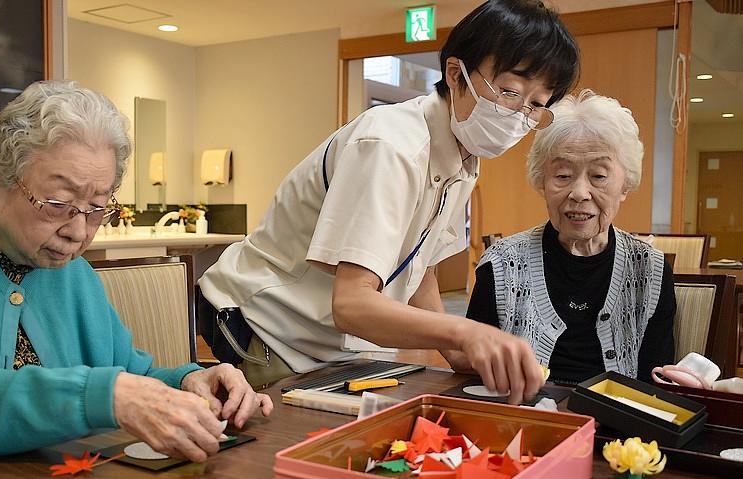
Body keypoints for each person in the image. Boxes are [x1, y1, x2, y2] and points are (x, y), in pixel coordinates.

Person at [198, 0, 580, 405]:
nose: (519, 115)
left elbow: (421, 267)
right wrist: (466, 332)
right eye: (509, 92)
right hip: (259, 323)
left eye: (535, 105)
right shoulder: (391, 145)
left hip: (325, 341)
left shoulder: (464, 158)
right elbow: (352, 303)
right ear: (456, 74)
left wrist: (455, 353)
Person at [0, 80, 272, 462]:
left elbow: (128, 375)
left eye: (96, 208)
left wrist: (188, 383)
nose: (78, 232)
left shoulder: (74, 275)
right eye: (58, 203)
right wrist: (108, 396)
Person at [466, 90, 676, 384]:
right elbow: (474, 373)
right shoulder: (501, 265)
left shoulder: (649, 270)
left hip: (619, 414)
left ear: (625, 185)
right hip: (521, 410)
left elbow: (656, 382)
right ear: (542, 182)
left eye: (599, 176)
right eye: (563, 175)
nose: (579, 193)